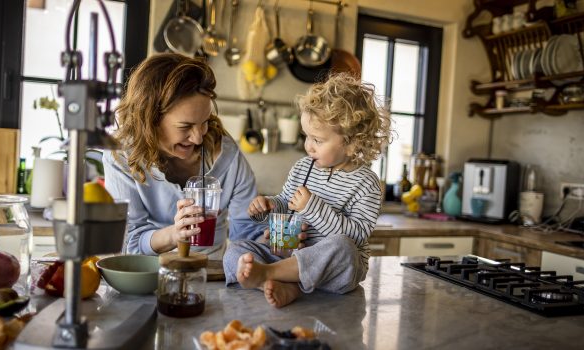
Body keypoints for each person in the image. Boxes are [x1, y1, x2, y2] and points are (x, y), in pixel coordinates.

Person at [223, 73, 391, 308]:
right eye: (307, 136)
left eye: (318, 140)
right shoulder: (303, 167)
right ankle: (281, 282)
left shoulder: (366, 183)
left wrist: (312, 208)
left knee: (344, 248)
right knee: (236, 250)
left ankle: (270, 274)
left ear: (353, 143)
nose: (308, 145)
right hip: (288, 257)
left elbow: (356, 236)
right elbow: (285, 201)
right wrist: (269, 206)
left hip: (333, 270)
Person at [103, 53, 264, 259]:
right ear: (149, 120)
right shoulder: (121, 155)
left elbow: (246, 232)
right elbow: (126, 243)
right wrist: (173, 234)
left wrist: (266, 239)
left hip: (210, 275)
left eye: (204, 122)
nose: (198, 138)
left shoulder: (228, 156)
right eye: (185, 126)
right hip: (145, 275)